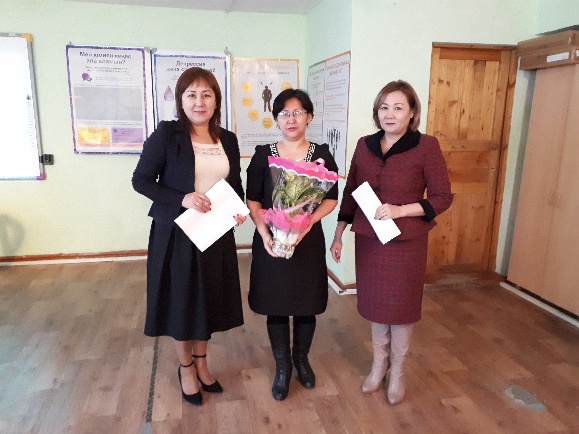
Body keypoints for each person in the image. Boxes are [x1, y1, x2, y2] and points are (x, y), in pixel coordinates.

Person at [330, 80, 452, 405]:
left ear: (412, 113)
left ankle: (397, 371)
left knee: (401, 307)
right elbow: (351, 192)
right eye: (384, 107)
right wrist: (338, 234)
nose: (390, 114)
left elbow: (442, 197)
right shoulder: (365, 145)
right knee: (376, 305)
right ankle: (378, 365)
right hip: (370, 239)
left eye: (398, 108)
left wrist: (401, 210)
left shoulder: (426, 146)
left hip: (406, 241)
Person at [132, 67, 246, 406]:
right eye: (192, 95)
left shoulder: (228, 139)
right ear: (181, 101)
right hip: (177, 234)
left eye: (206, 95)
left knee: (206, 301)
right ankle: (185, 368)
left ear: (216, 101)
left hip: (215, 233)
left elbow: (235, 184)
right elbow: (141, 181)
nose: (199, 102)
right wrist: (181, 198)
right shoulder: (168, 135)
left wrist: (238, 209)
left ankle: (202, 363)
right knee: (181, 302)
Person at [246, 89, 339, 401]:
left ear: (309, 116)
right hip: (271, 241)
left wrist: (307, 222)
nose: (291, 118)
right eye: (284, 113)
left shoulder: (321, 154)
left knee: (305, 303)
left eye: (298, 112)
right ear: (276, 119)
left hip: (307, 242)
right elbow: (253, 200)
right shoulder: (263, 154)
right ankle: (283, 367)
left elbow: (331, 198)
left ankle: (301, 359)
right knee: (276, 303)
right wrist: (264, 234)